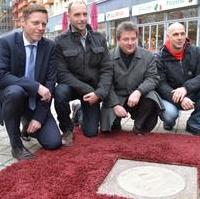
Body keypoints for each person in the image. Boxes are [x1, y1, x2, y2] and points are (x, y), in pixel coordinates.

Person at [0, 4, 62, 160]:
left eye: (44, 24)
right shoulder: (5, 42)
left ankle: (27, 123)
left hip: (36, 103)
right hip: (12, 98)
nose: (41, 28)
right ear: (23, 22)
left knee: (53, 142)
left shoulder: (50, 47)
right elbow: (2, 75)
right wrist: (35, 86)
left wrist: (39, 118)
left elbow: (50, 83)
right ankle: (16, 146)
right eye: (36, 23)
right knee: (16, 92)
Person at [54, 0, 113, 145]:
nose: (82, 18)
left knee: (91, 132)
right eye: (77, 15)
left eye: (84, 14)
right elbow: (61, 74)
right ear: (69, 16)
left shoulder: (99, 38)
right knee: (59, 92)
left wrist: (99, 93)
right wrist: (88, 89)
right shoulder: (60, 41)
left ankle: (78, 111)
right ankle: (67, 129)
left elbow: (107, 68)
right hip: (72, 87)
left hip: (93, 92)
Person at [100, 21, 164, 134]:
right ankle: (79, 111)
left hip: (137, 98)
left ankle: (139, 126)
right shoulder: (108, 57)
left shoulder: (148, 56)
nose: (130, 43)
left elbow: (152, 78)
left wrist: (139, 91)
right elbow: (106, 84)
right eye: (126, 39)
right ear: (118, 40)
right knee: (109, 130)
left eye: (133, 39)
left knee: (152, 96)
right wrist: (115, 105)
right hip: (116, 98)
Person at [156, 22, 200, 134]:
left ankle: (194, 123)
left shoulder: (196, 52)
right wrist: (181, 98)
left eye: (182, 33)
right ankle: (169, 122)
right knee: (170, 115)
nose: (180, 38)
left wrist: (186, 88)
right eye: (175, 34)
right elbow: (161, 85)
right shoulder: (159, 58)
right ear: (168, 37)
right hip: (170, 96)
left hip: (191, 92)